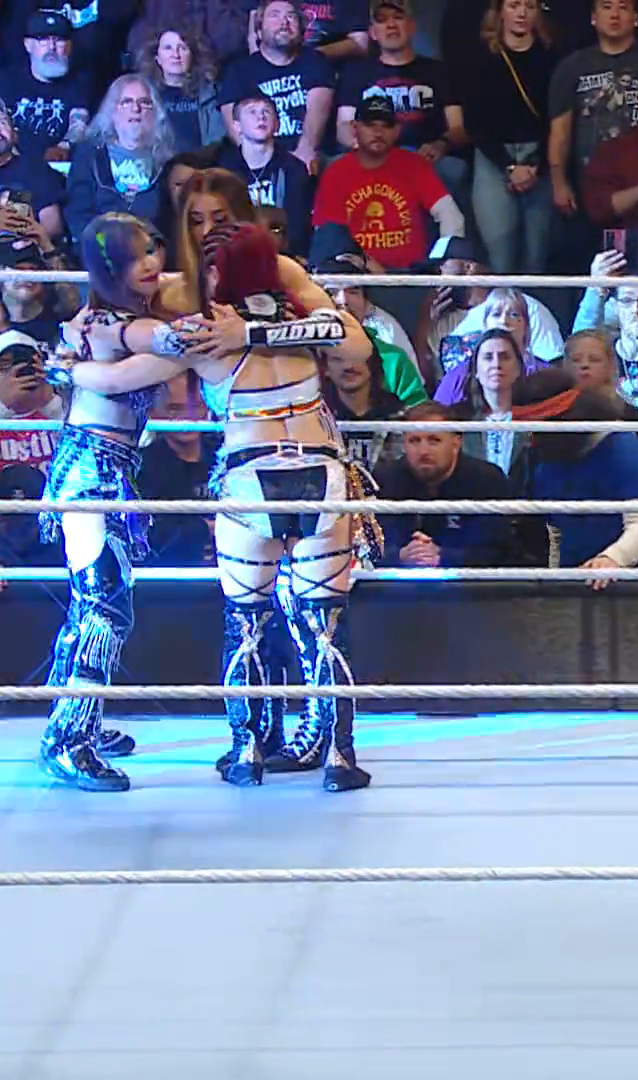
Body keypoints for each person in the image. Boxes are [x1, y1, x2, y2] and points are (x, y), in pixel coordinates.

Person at [64, 222, 380, 793]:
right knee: (323, 624)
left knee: (246, 620)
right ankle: (338, 757)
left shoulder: (206, 333)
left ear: (217, 273)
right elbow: (354, 341)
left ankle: (246, 751)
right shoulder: (308, 324)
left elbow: (116, 379)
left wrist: (68, 364)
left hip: (252, 477)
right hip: (322, 474)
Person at [33, 214, 177, 791]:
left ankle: (76, 721)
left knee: (93, 602)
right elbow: (164, 352)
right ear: (111, 267)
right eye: (138, 256)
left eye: (154, 252)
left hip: (104, 468)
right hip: (92, 471)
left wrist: (69, 363)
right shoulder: (119, 327)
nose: (152, 265)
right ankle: (68, 740)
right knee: (105, 605)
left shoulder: (102, 323)